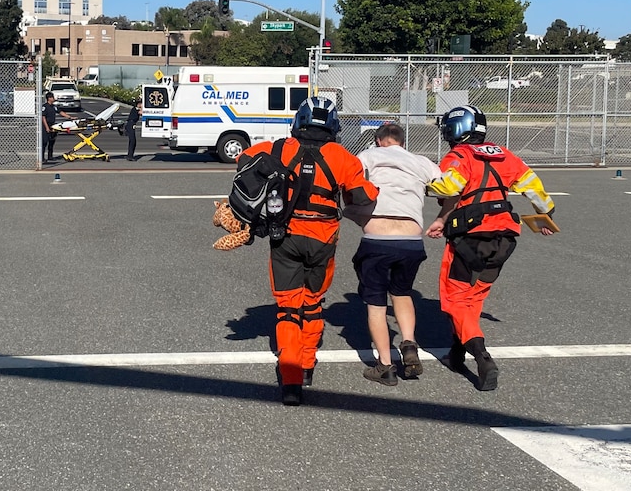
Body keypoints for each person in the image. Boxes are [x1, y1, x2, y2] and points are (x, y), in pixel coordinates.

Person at [238, 95, 378, 406]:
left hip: (284, 235)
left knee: (288, 307)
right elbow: (362, 197)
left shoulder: (277, 148)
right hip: (323, 240)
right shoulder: (343, 157)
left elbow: (244, 160)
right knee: (312, 304)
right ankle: (306, 364)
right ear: (332, 126)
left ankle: (290, 379)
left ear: (298, 121)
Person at [425, 105, 556, 392]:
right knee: (475, 297)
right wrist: (546, 213)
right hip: (504, 238)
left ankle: (482, 357)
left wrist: (420, 180)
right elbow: (533, 186)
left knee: (454, 300)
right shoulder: (504, 154)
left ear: (457, 129)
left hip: (469, 238)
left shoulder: (459, 155)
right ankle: (457, 353)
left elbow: (448, 188)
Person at [354, 122, 441, 386]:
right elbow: (449, 190)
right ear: (402, 141)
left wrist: (355, 213)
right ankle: (409, 342)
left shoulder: (368, 156)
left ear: (379, 140)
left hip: (377, 237)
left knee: (376, 304)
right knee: (402, 292)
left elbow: (349, 182)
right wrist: (442, 218)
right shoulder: (420, 161)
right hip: (411, 239)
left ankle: (385, 364)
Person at [42, 92, 69, 162]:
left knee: (52, 141)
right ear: (49, 98)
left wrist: (70, 117)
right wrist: (47, 127)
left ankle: (50, 156)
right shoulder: (45, 107)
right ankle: (42, 157)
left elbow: (60, 112)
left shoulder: (54, 107)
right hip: (46, 126)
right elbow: (43, 117)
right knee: (44, 142)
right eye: (53, 97)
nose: (54, 98)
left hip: (53, 126)